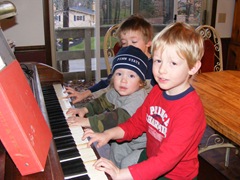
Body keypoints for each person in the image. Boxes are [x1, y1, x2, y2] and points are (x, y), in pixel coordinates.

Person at [82, 22, 207, 180]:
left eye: (173, 63)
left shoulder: (189, 112)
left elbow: (165, 161)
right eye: (158, 61)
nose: (162, 70)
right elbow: (136, 123)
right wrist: (107, 134)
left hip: (174, 175)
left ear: (193, 67)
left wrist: (120, 174)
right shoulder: (157, 91)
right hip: (151, 156)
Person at [67, 45, 149, 168]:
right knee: (114, 154)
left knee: (128, 165)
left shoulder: (138, 99)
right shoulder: (116, 91)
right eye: (119, 74)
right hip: (125, 139)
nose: (123, 81)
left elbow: (117, 117)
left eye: (131, 76)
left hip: (143, 145)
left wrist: (87, 121)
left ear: (141, 82)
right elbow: (102, 101)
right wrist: (84, 109)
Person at [65, 14, 156, 104]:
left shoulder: (156, 67)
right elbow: (109, 83)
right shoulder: (126, 62)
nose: (128, 47)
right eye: (124, 43)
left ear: (148, 42)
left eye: (134, 42)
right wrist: (84, 94)